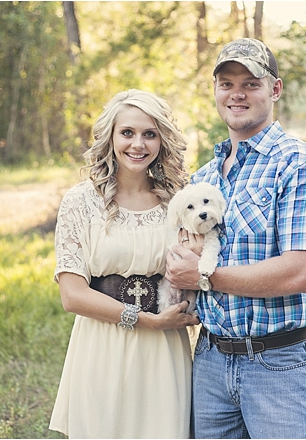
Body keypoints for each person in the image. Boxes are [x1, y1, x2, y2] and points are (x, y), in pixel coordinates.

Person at [164, 38, 306, 439]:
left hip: (278, 364)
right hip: (210, 360)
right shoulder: (204, 179)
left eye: (251, 82)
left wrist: (204, 277)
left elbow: (301, 273)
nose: (237, 93)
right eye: (226, 83)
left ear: (275, 89)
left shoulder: (300, 165)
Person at [49, 89, 200, 439]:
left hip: (164, 350)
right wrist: (148, 321)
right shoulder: (80, 202)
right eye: (128, 133)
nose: (138, 144)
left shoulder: (179, 201)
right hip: (104, 345)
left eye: (150, 134)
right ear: (111, 137)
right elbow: (72, 295)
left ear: (162, 140)